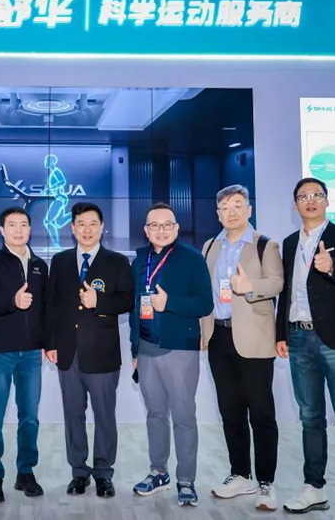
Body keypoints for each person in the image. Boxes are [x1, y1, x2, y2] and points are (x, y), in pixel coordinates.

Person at [275, 177, 335, 519]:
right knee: (310, 417)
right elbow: (286, 291)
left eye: (316, 195)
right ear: (295, 204)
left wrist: (332, 268)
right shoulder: (289, 242)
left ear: (326, 200)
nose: (310, 200)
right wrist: (280, 333)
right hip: (298, 337)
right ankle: (314, 487)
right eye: (303, 196)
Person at [200, 185, 283, 511]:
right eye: (225, 207)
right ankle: (240, 474)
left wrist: (251, 287)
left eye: (237, 205)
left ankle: (266, 482)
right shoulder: (210, 246)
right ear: (218, 214)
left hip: (254, 338)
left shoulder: (265, 244)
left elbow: (276, 282)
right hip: (219, 337)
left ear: (249, 209)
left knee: (261, 413)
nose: (231, 211)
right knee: (230, 411)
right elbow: (206, 292)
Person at [45, 202, 134, 498]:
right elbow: (51, 305)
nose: (87, 229)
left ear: (102, 227)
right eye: (81, 224)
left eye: (93, 223)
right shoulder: (60, 261)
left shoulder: (117, 262)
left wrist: (100, 302)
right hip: (67, 353)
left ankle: (104, 473)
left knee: (104, 415)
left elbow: (127, 301)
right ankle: (79, 472)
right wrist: (50, 343)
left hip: (102, 352)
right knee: (73, 415)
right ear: (72, 228)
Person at [130, 202, 213, 507]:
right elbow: (135, 308)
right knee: (155, 415)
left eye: (167, 225)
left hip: (179, 349)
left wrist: (170, 303)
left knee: (183, 417)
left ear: (177, 228)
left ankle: (186, 480)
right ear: (146, 230)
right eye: (155, 225)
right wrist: (135, 349)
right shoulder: (140, 260)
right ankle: (158, 472)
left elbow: (205, 303)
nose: (161, 230)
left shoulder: (192, 258)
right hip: (146, 349)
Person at [0, 207, 49, 503]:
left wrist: (45, 343)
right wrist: (13, 301)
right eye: (12, 225)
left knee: (30, 417)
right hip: (0, 351)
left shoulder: (40, 266)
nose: (18, 230)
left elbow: (45, 308)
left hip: (32, 353)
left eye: (23, 225)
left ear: (30, 229)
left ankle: (25, 472)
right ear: (2, 230)